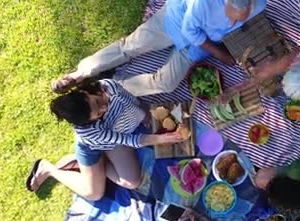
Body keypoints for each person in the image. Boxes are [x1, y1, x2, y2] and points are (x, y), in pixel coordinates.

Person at [51, 0, 267, 97]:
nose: (231, 23)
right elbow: (191, 30)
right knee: (130, 47)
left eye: (238, 19)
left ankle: (109, 88)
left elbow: (237, 28)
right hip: (174, 21)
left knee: (166, 83)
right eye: (229, 17)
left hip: (196, 47)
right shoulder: (203, 3)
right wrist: (220, 52)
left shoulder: (259, 4)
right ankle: (81, 74)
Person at [26, 79, 186, 200]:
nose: (104, 107)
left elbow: (131, 101)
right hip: (95, 147)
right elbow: (128, 140)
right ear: (89, 121)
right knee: (94, 193)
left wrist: (143, 114)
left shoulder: (108, 86)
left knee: (132, 180)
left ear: (84, 93)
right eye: (98, 114)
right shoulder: (89, 131)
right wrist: (161, 139)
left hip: (116, 139)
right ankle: (49, 169)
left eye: (97, 101)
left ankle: (91, 165)